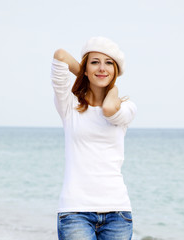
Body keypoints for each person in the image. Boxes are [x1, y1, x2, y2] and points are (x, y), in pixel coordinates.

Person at [51, 36, 137, 240]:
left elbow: (109, 109)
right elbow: (60, 55)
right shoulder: (69, 105)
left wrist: (112, 88)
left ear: (116, 70)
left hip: (118, 212)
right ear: (85, 68)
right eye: (95, 62)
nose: (102, 68)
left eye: (109, 63)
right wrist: (84, 74)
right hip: (75, 212)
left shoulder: (127, 108)